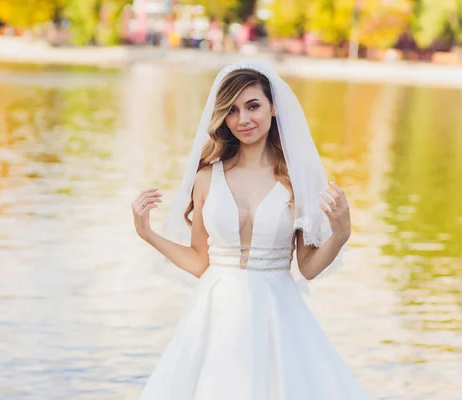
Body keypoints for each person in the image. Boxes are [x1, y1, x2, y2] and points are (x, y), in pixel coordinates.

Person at [131, 62, 373, 399]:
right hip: (216, 313)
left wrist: (340, 234)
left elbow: (307, 266)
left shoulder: (297, 178)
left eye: (253, 106)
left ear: (273, 108)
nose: (243, 119)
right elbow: (201, 262)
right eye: (232, 110)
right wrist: (149, 234)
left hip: (277, 311)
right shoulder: (206, 177)